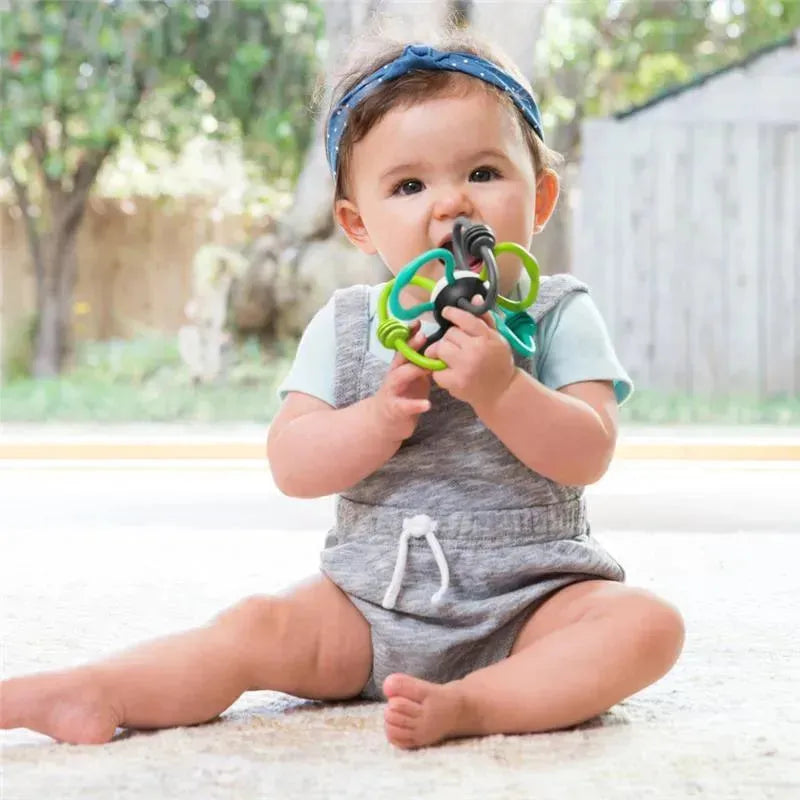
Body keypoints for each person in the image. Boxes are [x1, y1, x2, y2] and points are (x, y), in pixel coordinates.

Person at [0, 29, 684, 751]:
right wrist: (380, 417)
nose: (452, 203)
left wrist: (502, 389)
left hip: (533, 607)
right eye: (409, 186)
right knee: (254, 626)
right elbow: (293, 464)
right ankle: (98, 689)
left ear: (540, 197)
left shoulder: (559, 311)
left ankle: (478, 703)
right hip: (369, 607)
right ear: (358, 223)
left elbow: (588, 452)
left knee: (646, 625)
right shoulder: (349, 325)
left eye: (484, 173)